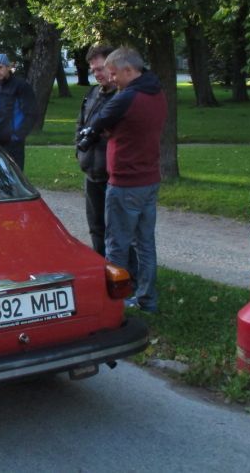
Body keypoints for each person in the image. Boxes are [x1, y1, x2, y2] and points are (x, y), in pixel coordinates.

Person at [87, 46, 167, 313]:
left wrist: (107, 131)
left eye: (114, 74)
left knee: (117, 245)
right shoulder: (157, 92)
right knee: (145, 244)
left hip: (125, 181)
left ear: (129, 70)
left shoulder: (128, 97)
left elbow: (99, 122)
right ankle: (147, 299)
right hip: (149, 178)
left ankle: (114, 302)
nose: (111, 79)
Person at [75, 45, 116, 255]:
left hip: (113, 176)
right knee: (96, 227)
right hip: (91, 172)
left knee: (117, 230)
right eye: (93, 71)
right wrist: (79, 151)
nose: (97, 74)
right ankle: (101, 266)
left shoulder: (122, 97)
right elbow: (80, 124)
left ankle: (122, 270)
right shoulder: (92, 94)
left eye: (100, 69)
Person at [0, 53, 38, 170]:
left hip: (13, 144)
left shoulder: (21, 86)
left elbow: (31, 114)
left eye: (0, 67)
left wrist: (17, 136)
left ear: (8, 67)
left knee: (14, 177)